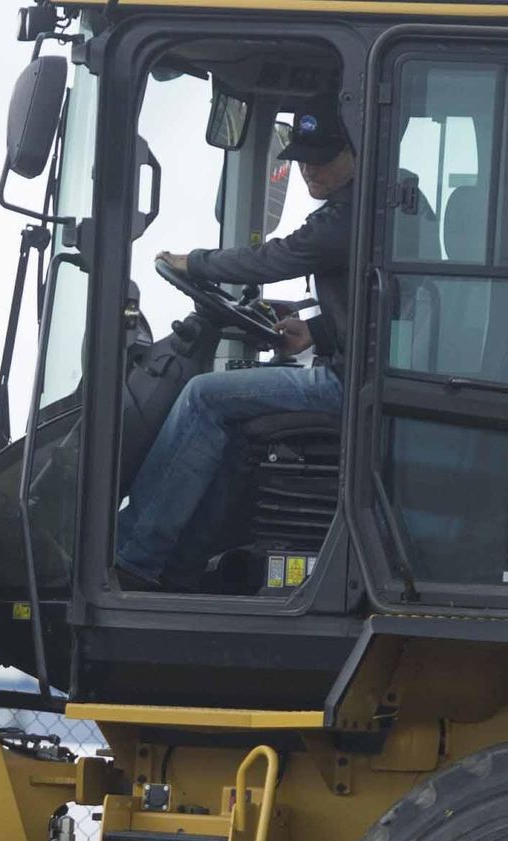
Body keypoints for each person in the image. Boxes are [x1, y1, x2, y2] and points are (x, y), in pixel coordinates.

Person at [116, 97, 358, 584]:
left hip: (348, 384)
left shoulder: (351, 214)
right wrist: (317, 330)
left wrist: (196, 263)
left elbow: (276, 259)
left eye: (323, 158)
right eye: (303, 157)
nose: (310, 169)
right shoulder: (369, 209)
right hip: (355, 370)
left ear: (357, 152)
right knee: (233, 415)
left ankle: (134, 558)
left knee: (205, 397)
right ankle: (185, 562)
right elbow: (384, 310)